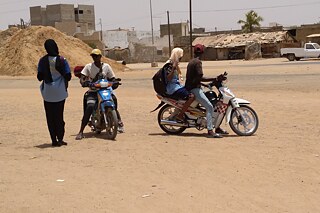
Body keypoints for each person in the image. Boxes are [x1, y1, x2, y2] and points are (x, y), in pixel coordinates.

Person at [75, 49, 124, 140]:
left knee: (114, 99)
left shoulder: (106, 66)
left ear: (100, 57)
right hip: (93, 91)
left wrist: (115, 82)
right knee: (90, 106)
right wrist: (84, 82)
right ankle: (81, 131)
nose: (95, 58)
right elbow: (82, 78)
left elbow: (112, 78)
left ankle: (118, 120)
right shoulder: (88, 67)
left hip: (105, 90)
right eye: (93, 56)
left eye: (97, 56)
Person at [185, 44, 228, 138]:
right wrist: (216, 78)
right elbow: (200, 77)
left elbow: (196, 79)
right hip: (194, 89)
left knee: (211, 99)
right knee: (209, 107)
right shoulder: (198, 63)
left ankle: (217, 126)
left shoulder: (192, 61)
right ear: (203, 53)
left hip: (193, 86)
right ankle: (210, 131)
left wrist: (206, 85)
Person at [37, 39, 71, 146]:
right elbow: (68, 76)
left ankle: (53, 140)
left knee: (50, 117)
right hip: (60, 92)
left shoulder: (42, 60)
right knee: (59, 116)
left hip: (47, 93)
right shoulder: (62, 60)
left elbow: (39, 77)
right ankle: (60, 138)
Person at [165, 47, 195, 122]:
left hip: (177, 86)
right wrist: (173, 68)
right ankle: (180, 115)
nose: (181, 58)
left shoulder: (174, 63)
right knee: (191, 97)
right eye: (180, 56)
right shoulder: (169, 64)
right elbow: (168, 78)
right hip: (172, 88)